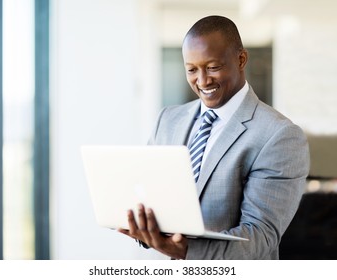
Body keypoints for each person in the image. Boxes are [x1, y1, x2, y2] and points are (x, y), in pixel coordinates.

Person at [118, 15, 310, 259]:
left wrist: (187, 251)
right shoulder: (167, 120)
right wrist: (143, 227)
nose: (202, 81)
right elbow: (148, 196)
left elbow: (261, 236)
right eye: (192, 70)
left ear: (241, 59)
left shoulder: (279, 136)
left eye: (213, 67)